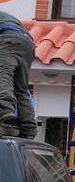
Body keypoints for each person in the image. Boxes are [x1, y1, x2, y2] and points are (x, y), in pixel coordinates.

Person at [0, 11, 36, 139]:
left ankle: (5, 110)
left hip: (9, 38)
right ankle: (29, 127)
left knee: (3, 75)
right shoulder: (5, 16)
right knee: (21, 89)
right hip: (28, 43)